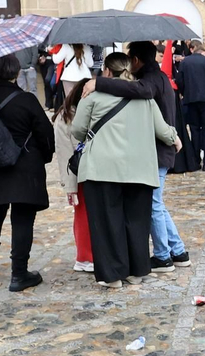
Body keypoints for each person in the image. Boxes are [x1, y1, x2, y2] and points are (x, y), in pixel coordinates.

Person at [72, 52, 178, 288]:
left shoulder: (92, 96)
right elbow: (163, 130)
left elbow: (77, 130)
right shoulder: (145, 99)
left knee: (106, 223)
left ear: (108, 71)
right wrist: (175, 138)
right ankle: (135, 271)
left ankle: (112, 275)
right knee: (136, 222)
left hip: (101, 168)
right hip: (139, 169)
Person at [91, 40, 189, 273]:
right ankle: (178, 251)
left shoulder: (151, 80)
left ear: (135, 60)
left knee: (153, 204)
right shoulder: (158, 77)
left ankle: (163, 256)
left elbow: (141, 91)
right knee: (157, 203)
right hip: (159, 150)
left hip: (157, 151)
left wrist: (99, 83)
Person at [0, 54, 55, 292]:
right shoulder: (26, 100)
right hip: (24, 164)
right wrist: (44, 157)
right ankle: (19, 274)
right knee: (23, 218)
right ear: (16, 72)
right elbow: (46, 135)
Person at [52, 80, 93, 275]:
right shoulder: (65, 117)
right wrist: (70, 187)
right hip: (80, 172)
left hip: (95, 170)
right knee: (83, 215)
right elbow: (64, 153)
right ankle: (85, 257)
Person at [176, 39, 205, 171]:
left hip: (190, 100)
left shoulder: (184, 62)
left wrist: (185, 93)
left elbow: (179, 81)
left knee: (194, 130)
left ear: (193, 50)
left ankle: (195, 161)